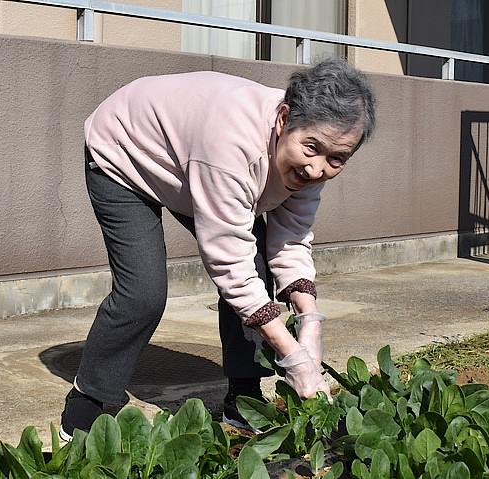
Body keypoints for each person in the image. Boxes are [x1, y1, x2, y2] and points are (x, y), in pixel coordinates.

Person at [60, 58, 376, 438]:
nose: (316, 170)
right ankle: (88, 399)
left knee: (258, 265)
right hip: (124, 152)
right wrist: (293, 356)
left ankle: (243, 398)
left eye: (336, 159)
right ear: (283, 120)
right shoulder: (231, 144)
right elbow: (230, 265)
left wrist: (310, 318)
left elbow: (291, 237)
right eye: (311, 148)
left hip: (188, 165)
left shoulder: (314, 152)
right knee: (143, 294)